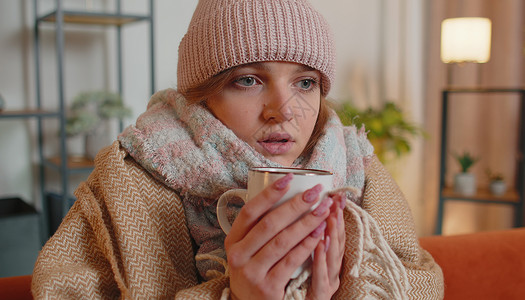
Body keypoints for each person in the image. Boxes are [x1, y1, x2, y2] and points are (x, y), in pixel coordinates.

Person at [32, 0, 444, 299]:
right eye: (248, 80)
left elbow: (423, 282)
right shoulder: (134, 175)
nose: (283, 110)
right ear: (202, 96)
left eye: (305, 82)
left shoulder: (353, 164)